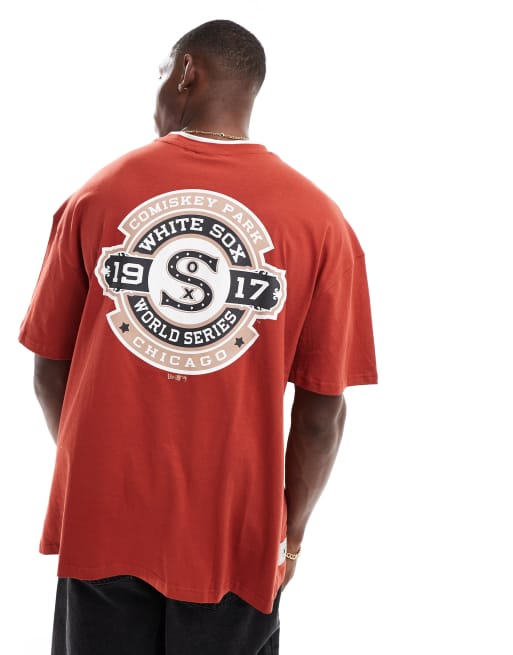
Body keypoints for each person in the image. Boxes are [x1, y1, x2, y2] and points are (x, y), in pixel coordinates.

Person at [19, 19, 378, 655]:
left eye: (161, 73)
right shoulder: (321, 222)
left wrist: (96, 475)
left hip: (104, 527)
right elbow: (322, 412)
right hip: (236, 538)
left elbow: (50, 367)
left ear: (187, 72)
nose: (156, 92)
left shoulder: (95, 196)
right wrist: (290, 536)